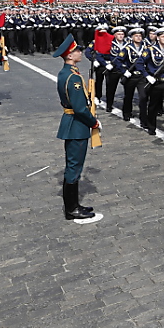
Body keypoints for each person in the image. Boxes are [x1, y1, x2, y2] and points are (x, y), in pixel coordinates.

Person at [53, 35, 102, 223]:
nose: (80, 53)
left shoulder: (67, 73)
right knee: (74, 167)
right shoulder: (72, 77)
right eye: (77, 51)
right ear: (70, 55)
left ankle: (74, 205)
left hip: (73, 122)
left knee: (75, 166)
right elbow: (80, 108)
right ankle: (71, 209)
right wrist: (94, 122)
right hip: (76, 125)